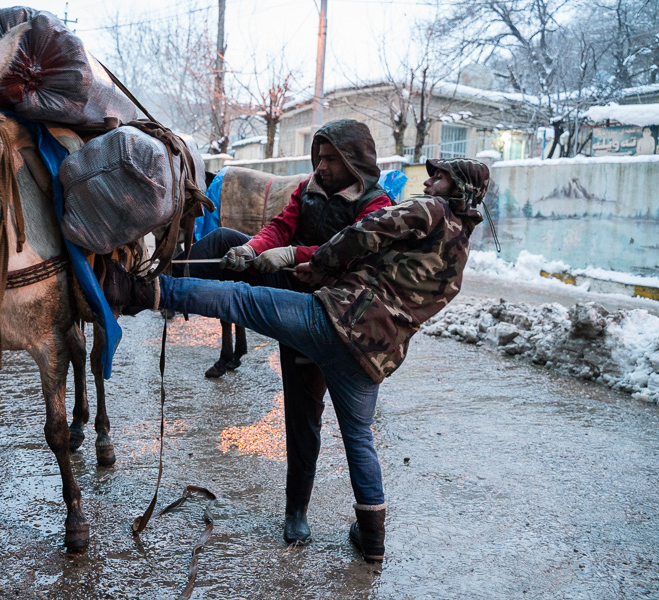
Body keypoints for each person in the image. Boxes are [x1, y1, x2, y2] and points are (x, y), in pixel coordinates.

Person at [104, 157, 491, 561]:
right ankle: (373, 541)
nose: (429, 181)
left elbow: (365, 232)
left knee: (241, 300)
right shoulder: (459, 252)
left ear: (460, 188)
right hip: (375, 356)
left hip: (335, 320)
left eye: (440, 176)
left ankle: (134, 291)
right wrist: (262, 249)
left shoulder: (428, 209)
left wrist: (313, 262)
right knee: (359, 440)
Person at [171, 120, 392, 546]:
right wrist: (252, 249)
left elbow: (348, 252)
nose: (322, 166)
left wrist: (292, 253)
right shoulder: (309, 189)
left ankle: (297, 510)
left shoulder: (376, 206)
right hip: (290, 287)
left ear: (353, 161)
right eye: (320, 157)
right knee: (221, 240)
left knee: (304, 415)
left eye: (331, 159)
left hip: (330, 318)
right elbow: (281, 224)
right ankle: (156, 283)